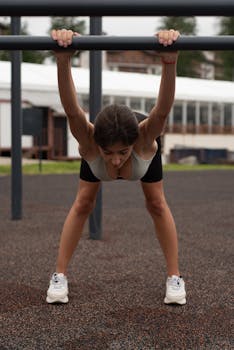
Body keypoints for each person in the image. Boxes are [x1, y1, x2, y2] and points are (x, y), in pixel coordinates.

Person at [46, 29, 186, 306]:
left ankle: (175, 277)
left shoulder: (144, 139)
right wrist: (63, 60)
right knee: (83, 203)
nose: (116, 160)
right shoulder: (89, 140)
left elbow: (161, 111)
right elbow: (73, 111)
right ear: (97, 143)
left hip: (139, 142)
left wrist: (169, 62)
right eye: (109, 154)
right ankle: (59, 275)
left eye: (122, 153)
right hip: (105, 135)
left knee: (156, 203)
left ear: (132, 145)